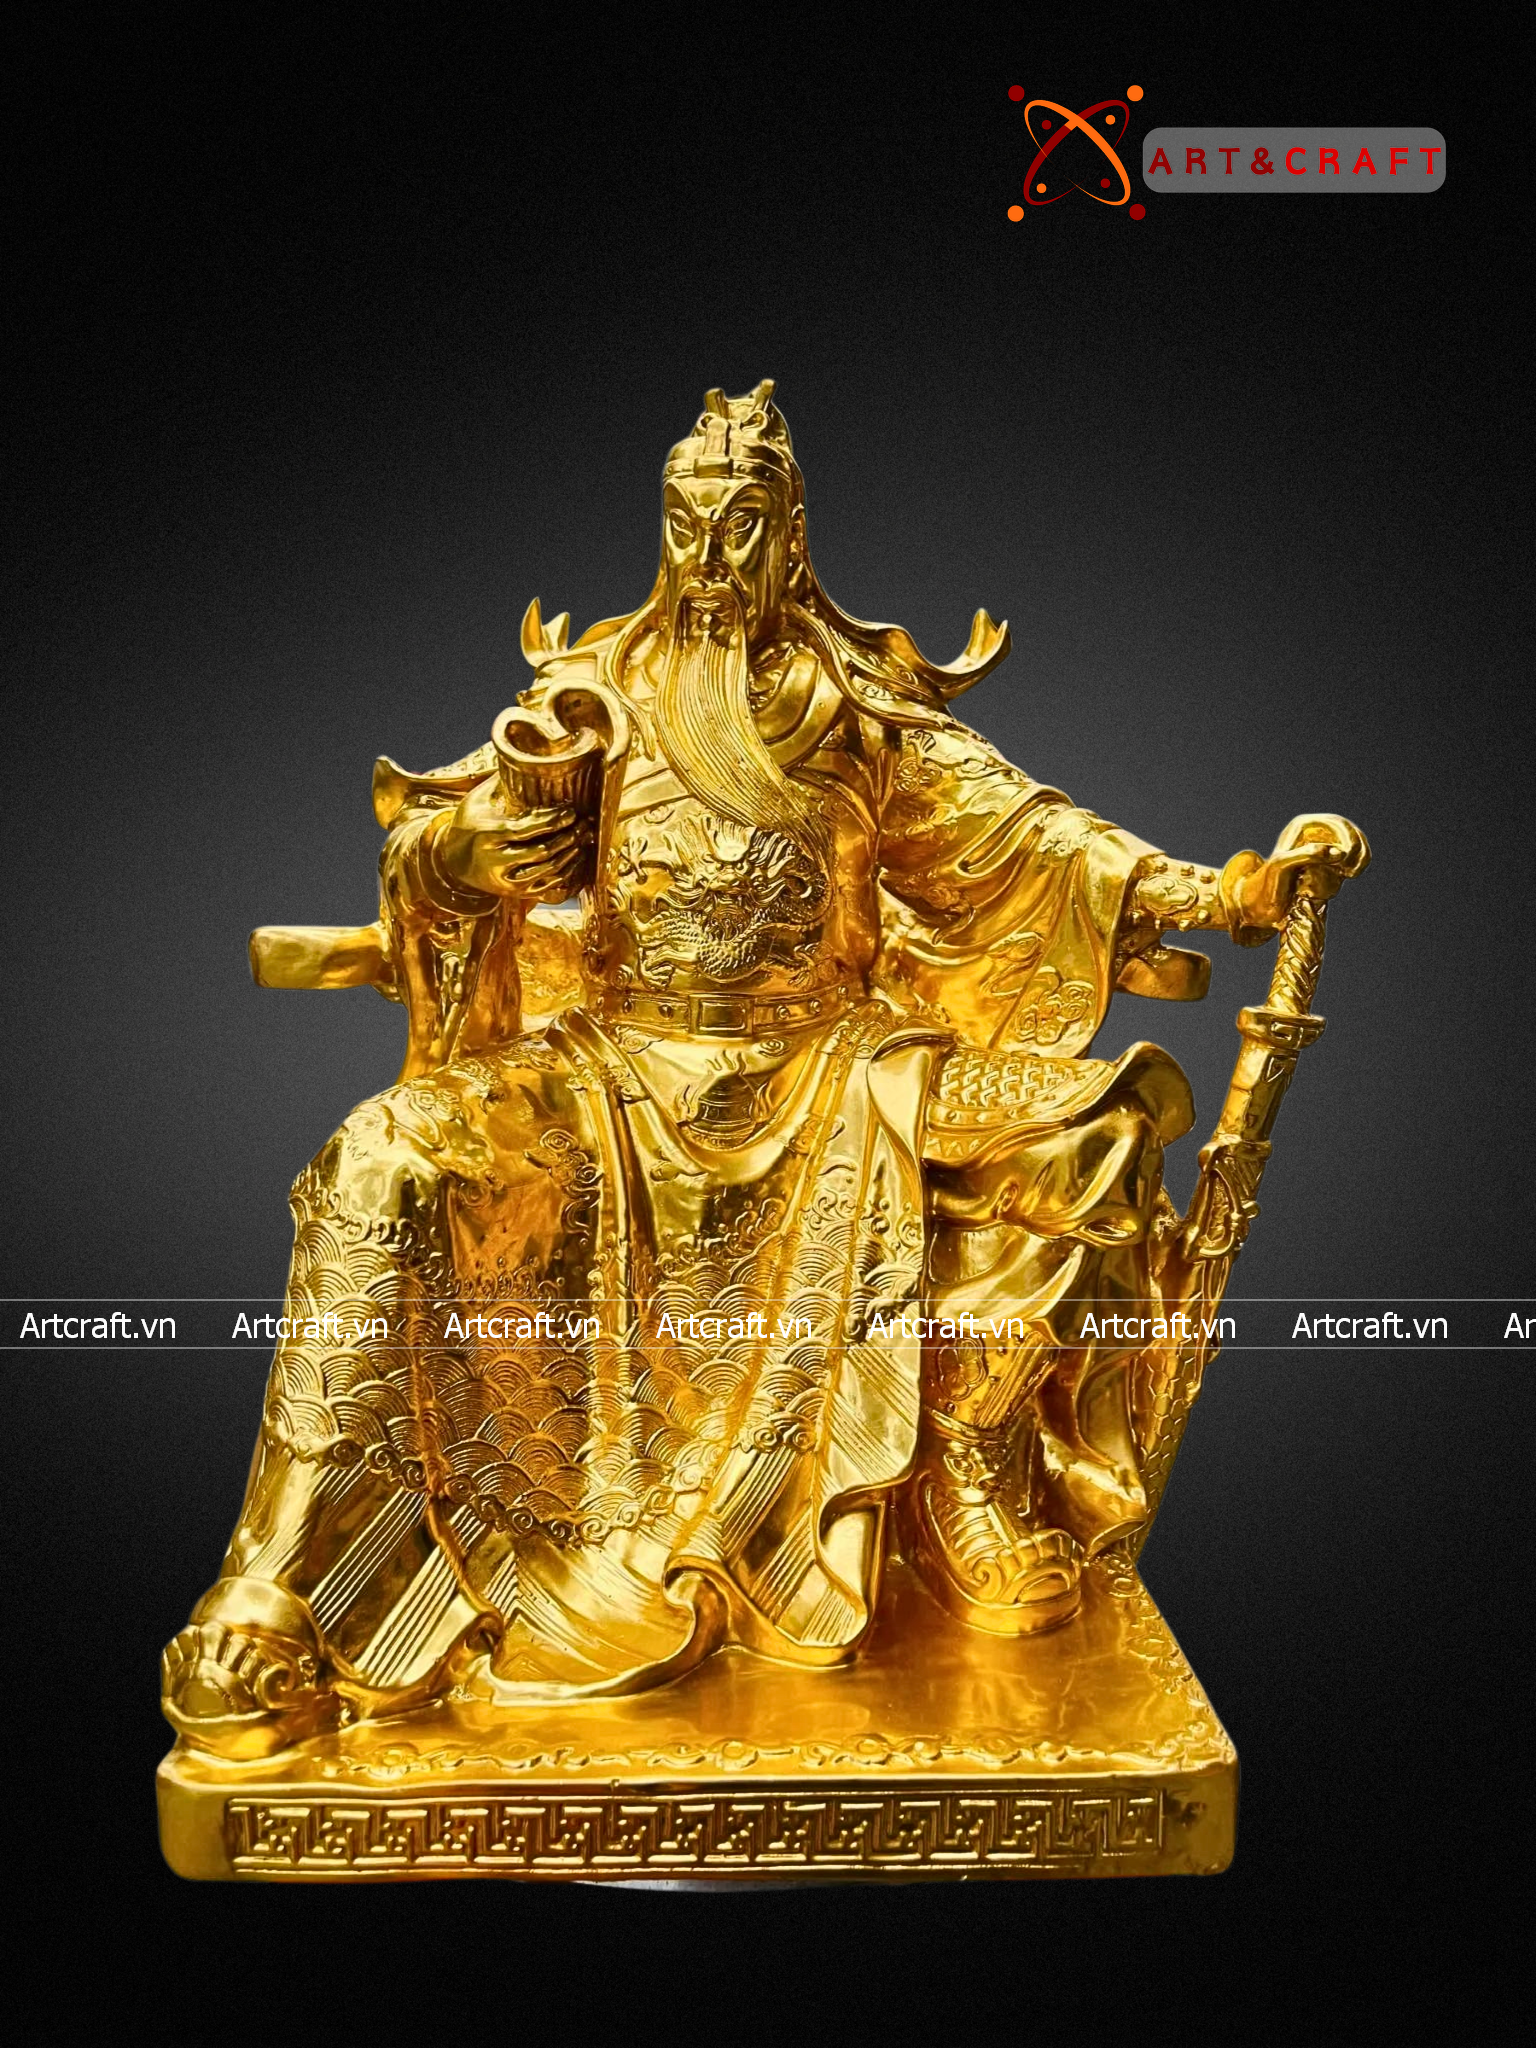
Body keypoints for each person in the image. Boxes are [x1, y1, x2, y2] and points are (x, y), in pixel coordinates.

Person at [162, 383, 1363, 1758]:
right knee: (379, 1159)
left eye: (742, 524)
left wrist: (1230, 890)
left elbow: (1031, 839)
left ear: (790, 537)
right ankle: (279, 1575)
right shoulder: (595, 698)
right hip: (611, 1075)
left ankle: (965, 1469)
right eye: (691, 524)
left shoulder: (858, 711)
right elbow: (446, 840)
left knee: (1085, 1135)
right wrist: (461, 860)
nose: (714, 554)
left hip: (837, 1074)